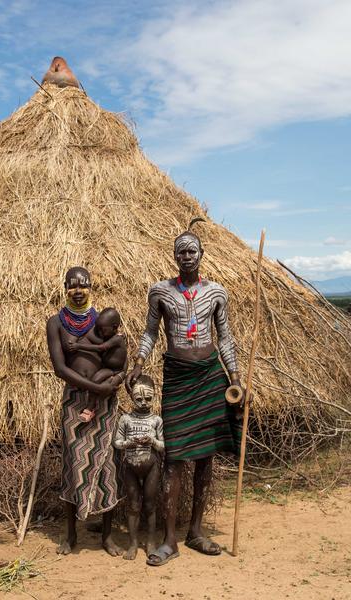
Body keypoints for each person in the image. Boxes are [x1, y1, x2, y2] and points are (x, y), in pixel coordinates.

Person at [127, 222, 243, 566]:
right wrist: (138, 361)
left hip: (210, 375)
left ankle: (196, 531)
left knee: (206, 458)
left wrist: (234, 376)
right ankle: (170, 539)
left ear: (202, 254)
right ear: (174, 256)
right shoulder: (160, 292)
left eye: (192, 250)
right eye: (181, 251)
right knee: (175, 459)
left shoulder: (217, 292)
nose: (187, 256)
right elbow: (150, 332)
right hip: (177, 376)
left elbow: (224, 337)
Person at [46, 267, 124, 557]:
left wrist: (109, 384)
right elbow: (59, 368)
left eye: (84, 285)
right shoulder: (56, 323)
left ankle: (107, 536)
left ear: (91, 287)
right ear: (65, 287)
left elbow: (118, 359)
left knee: (107, 465)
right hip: (75, 401)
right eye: (72, 285)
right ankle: (70, 536)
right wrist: (94, 387)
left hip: (103, 400)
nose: (78, 290)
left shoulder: (103, 320)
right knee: (73, 463)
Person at [114, 374, 165, 561]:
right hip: (130, 467)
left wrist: (151, 440)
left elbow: (163, 446)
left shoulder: (157, 420)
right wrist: (129, 442)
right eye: (139, 399)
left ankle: (151, 543)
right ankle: (133, 543)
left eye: (148, 399)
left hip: (151, 466)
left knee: (150, 505)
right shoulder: (125, 419)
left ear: (155, 396)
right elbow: (117, 442)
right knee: (134, 506)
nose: (143, 403)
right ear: (132, 398)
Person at [67, 307, 127, 422]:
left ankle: (90, 408)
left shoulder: (117, 339)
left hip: (115, 370)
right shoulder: (109, 337)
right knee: (95, 380)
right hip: (107, 368)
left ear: (114, 327)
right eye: (98, 329)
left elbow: (101, 348)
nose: (100, 333)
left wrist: (78, 346)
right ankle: (91, 407)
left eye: (102, 330)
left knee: (98, 381)